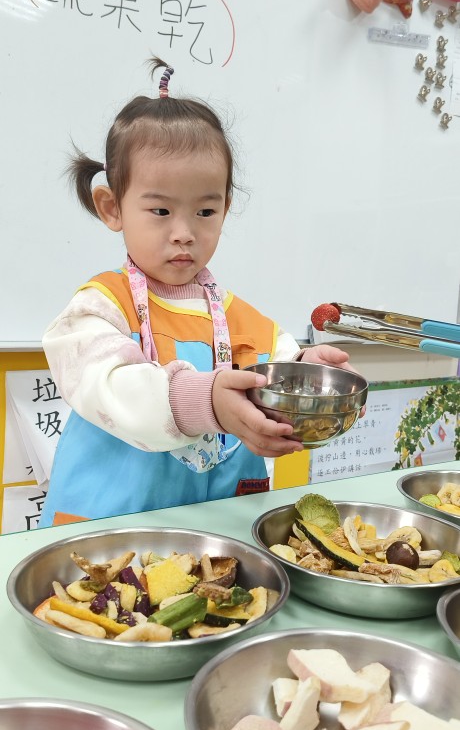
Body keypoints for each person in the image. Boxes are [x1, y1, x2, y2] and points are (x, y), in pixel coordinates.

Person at [39, 59, 355, 527]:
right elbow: (112, 387)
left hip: (217, 534)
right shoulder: (98, 308)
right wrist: (205, 402)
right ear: (111, 207)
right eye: (161, 211)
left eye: (205, 211)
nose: (184, 232)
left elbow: (279, 373)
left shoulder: (244, 320)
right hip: (113, 536)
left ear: (225, 208)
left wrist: (308, 374)